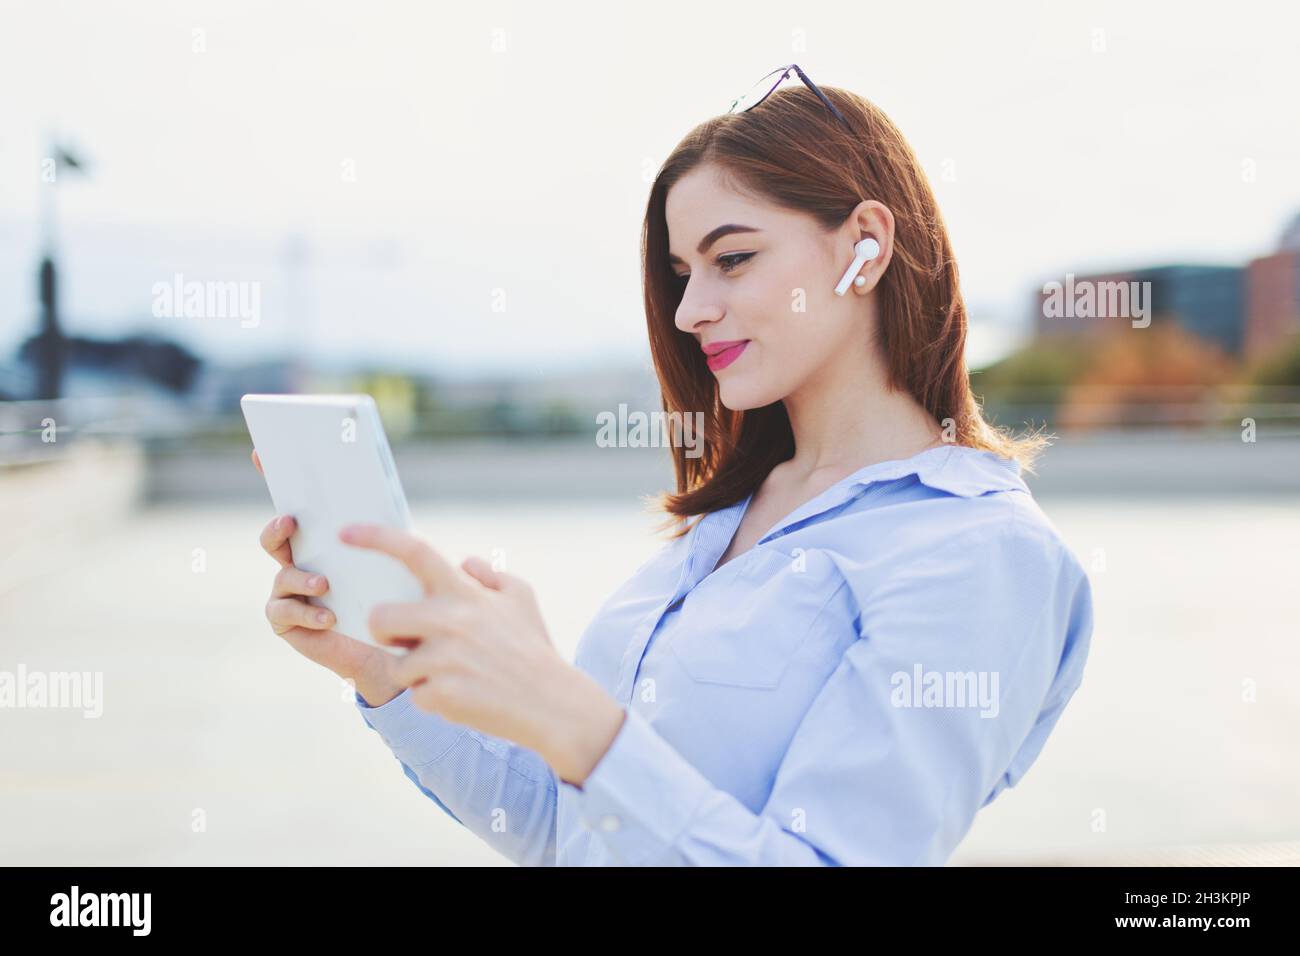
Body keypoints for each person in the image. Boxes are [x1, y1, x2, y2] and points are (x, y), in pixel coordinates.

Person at [254, 69, 1093, 866]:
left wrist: (564, 710)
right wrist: (385, 672)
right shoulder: (726, 518)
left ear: (864, 246)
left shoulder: (977, 551)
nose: (691, 311)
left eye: (732, 260)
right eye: (682, 273)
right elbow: (569, 835)